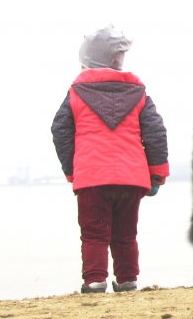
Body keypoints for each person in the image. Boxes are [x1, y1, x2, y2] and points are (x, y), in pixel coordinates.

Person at [51, 25, 169, 294]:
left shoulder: (76, 94)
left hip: (92, 177)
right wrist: (157, 173)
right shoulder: (138, 94)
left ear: (87, 61)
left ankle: (95, 281)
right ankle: (127, 280)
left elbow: (61, 132)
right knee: (126, 234)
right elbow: (155, 133)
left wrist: (72, 171)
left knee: (93, 233)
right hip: (131, 178)